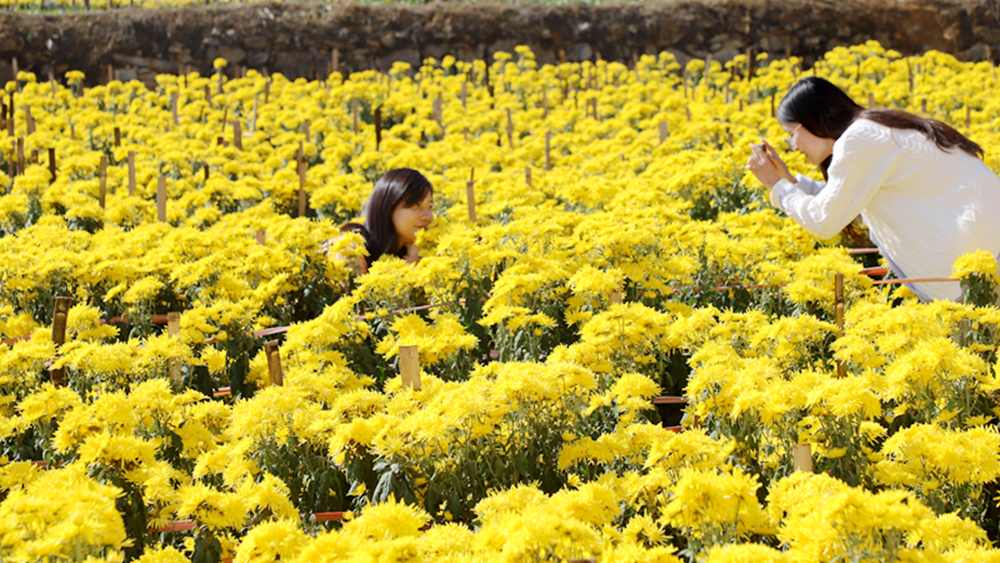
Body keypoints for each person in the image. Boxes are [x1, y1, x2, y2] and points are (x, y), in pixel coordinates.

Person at [746, 76, 1000, 302]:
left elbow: (824, 221)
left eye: (791, 133)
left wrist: (776, 186)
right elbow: (847, 199)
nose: (792, 145)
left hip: (978, 263)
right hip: (987, 253)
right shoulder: (874, 128)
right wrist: (790, 181)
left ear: (815, 120)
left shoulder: (858, 140)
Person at [338, 168, 435, 275]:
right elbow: (351, 290)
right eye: (416, 206)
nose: (428, 217)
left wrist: (414, 256)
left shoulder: (415, 249)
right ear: (388, 208)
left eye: (430, 207)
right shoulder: (349, 247)